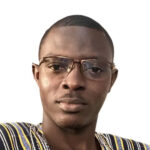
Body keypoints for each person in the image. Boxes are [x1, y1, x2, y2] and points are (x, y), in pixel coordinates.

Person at [0, 15, 149, 150]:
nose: (73, 82)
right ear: (37, 75)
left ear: (112, 80)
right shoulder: (6, 141)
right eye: (56, 67)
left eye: (95, 69)